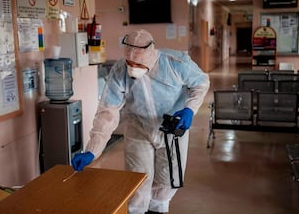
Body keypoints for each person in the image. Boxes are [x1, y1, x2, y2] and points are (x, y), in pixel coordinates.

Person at [71, 29, 210, 214]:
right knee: (137, 181)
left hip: (171, 128)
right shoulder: (120, 71)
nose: (132, 67)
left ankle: (158, 209)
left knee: (169, 180)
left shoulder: (175, 63)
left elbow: (201, 83)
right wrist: (92, 150)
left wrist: (190, 109)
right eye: (129, 62)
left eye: (138, 63)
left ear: (150, 54)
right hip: (138, 129)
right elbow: (107, 112)